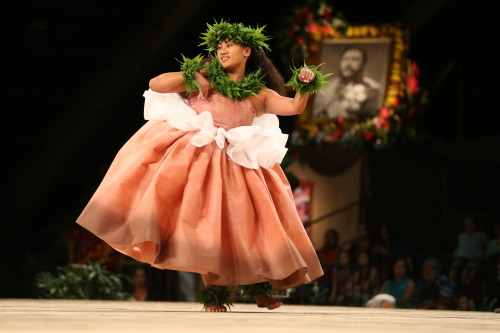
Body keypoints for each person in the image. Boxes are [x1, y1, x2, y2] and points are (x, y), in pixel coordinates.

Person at [76, 20, 329, 312]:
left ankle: (260, 287)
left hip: (238, 167)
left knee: (253, 227)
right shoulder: (205, 76)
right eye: (219, 46)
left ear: (246, 50)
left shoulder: (258, 94)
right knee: (210, 229)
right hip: (198, 162)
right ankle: (215, 295)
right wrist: (193, 74)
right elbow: (155, 85)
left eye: (228, 45)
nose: (222, 50)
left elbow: (294, 107)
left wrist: (305, 84)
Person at [312, 46, 382, 120]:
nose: (348, 64)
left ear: (363, 64)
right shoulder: (327, 86)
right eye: (345, 59)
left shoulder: (373, 89)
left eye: (355, 59)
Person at [448, 215, 489, 286]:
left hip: (474, 258)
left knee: (469, 267)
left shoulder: (481, 235)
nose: (468, 226)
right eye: (466, 224)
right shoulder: (461, 236)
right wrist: (456, 251)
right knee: (455, 264)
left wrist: (484, 253)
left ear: (475, 225)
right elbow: (459, 247)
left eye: (471, 224)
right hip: (461, 257)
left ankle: (466, 285)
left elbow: (489, 246)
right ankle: (449, 284)